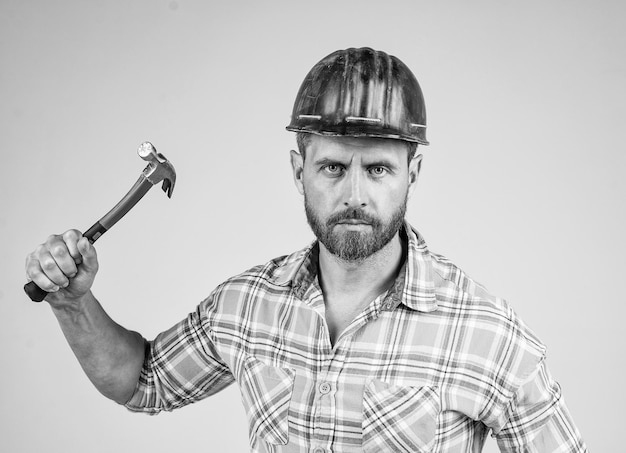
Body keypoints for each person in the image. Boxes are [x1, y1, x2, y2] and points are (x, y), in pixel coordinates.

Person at [25, 47, 586, 452]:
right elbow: (142, 382)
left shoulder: (487, 335)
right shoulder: (247, 305)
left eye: (379, 169)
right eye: (333, 167)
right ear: (300, 171)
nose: (354, 194)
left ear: (413, 172)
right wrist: (73, 304)